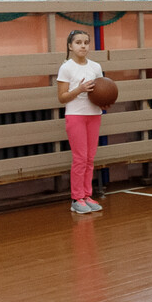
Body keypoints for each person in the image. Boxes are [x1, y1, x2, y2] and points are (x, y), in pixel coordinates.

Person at [55, 29, 106, 214]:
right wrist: (80, 89)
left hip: (94, 115)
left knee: (90, 158)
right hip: (75, 115)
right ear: (70, 46)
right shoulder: (66, 68)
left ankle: (86, 195)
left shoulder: (96, 67)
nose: (83, 45)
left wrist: (106, 99)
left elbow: (102, 90)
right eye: (78, 42)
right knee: (80, 158)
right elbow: (62, 97)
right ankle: (76, 199)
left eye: (86, 42)